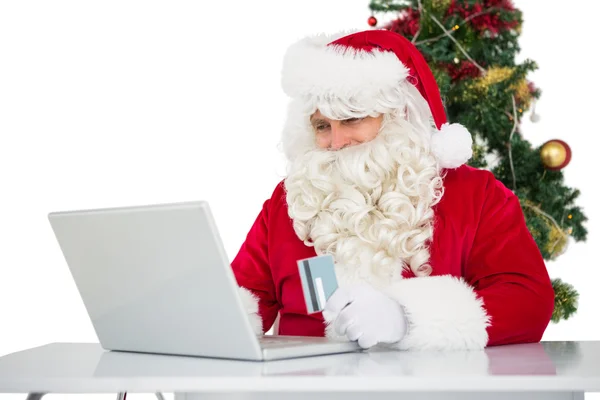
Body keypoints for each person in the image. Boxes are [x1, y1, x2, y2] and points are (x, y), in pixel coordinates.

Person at [230, 29, 555, 351]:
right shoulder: (291, 201)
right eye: (323, 126)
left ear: (398, 117)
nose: (337, 143)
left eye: (353, 119)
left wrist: (408, 319)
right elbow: (239, 299)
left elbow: (527, 298)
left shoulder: (475, 195)